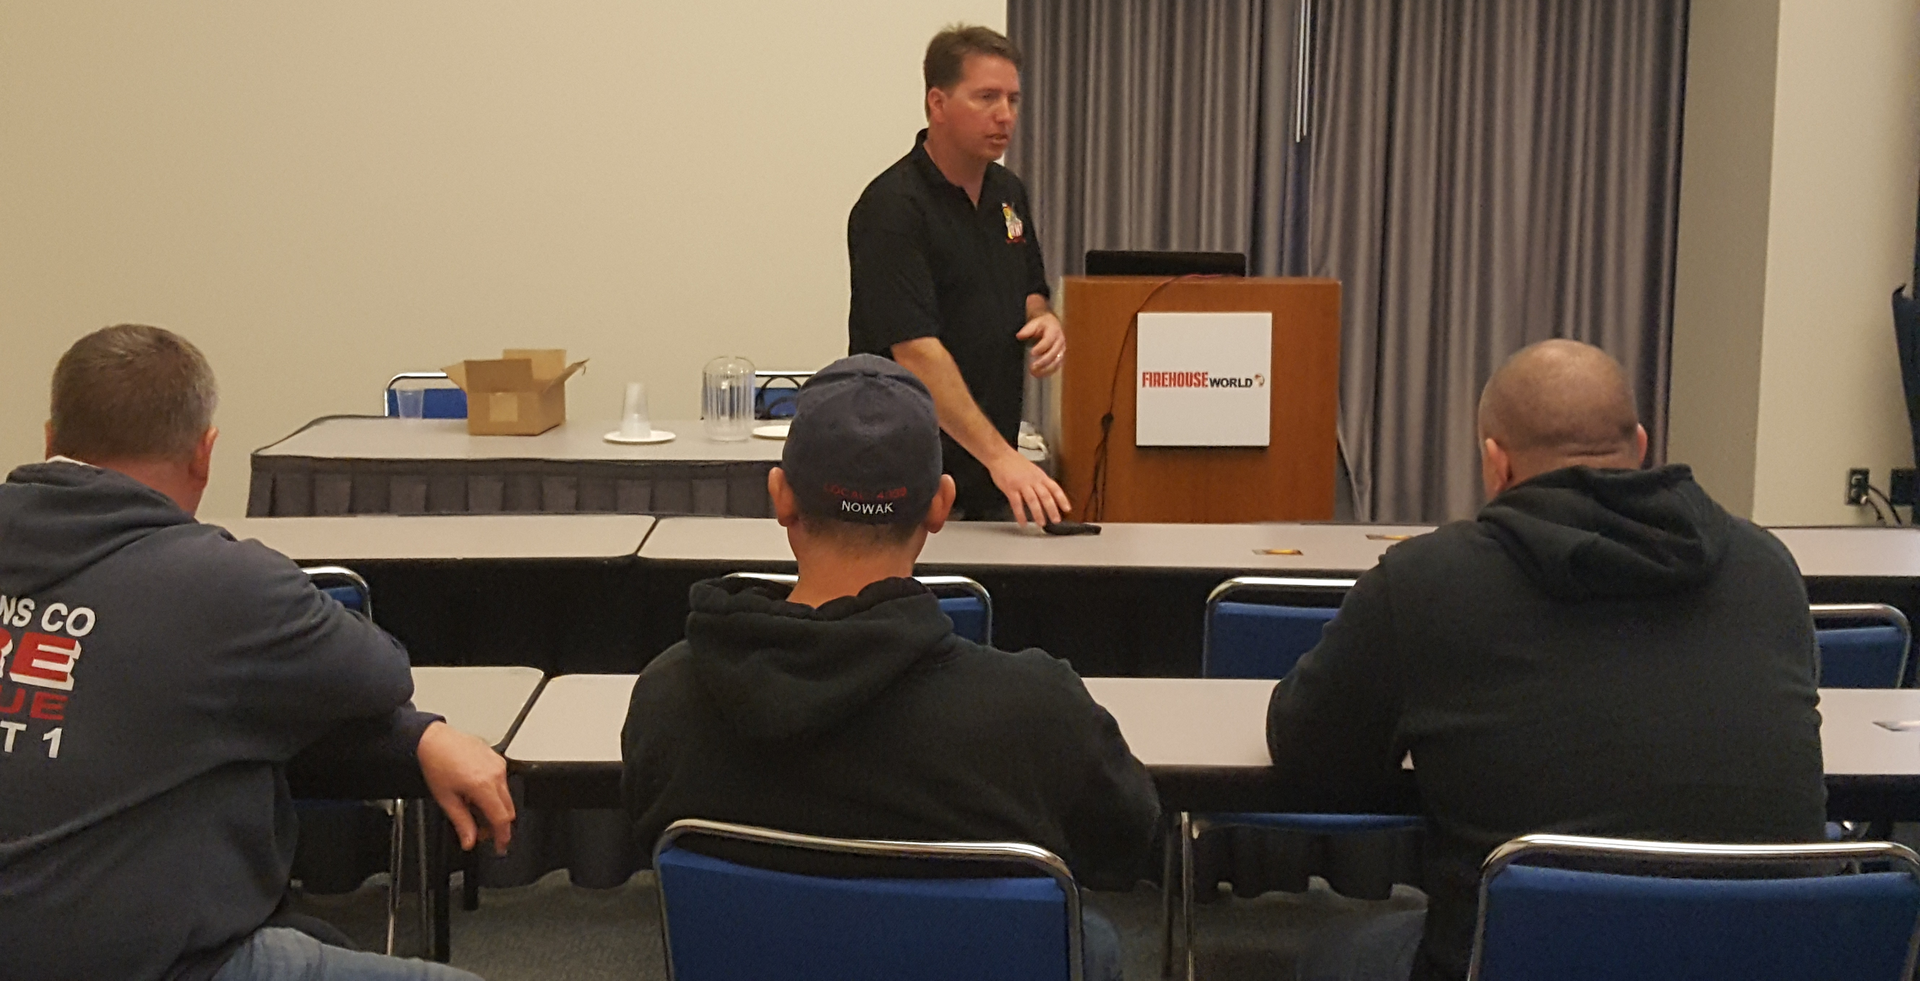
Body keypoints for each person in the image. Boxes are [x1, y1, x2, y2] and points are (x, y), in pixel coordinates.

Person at [1266, 339, 1826, 981]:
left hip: (1523, 957)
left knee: (1332, 957)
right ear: (1640, 447)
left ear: (1495, 464)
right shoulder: (1766, 568)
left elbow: (1310, 749)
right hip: (1764, 958)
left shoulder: (1426, 582)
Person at [0, 324, 515, 981]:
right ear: (204, 455)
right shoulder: (222, 587)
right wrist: (419, 735)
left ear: (48, 440)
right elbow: (380, 674)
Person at [621, 355, 1159, 979]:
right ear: (939, 506)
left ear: (781, 496)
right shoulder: (1038, 710)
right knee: (1092, 941)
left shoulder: (670, 696)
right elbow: (1126, 843)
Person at [847, 24, 1072, 525]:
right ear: (937, 103)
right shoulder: (892, 207)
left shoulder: (1008, 193)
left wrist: (1047, 321)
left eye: (1013, 99)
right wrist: (1002, 459)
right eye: (986, 97)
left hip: (989, 474)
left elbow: (1031, 290)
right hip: (903, 476)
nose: (1005, 115)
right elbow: (917, 353)